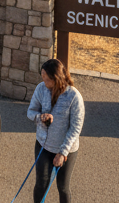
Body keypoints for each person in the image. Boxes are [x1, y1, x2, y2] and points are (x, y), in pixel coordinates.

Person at [27, 59, 84, 203]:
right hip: (43, 146)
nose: (43, 81)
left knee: (63, 187)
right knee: (41, 184)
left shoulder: (74, 97)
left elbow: (75, 128)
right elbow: (30, 112)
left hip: (66, 151)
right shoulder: (41, 88)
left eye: (46, 79)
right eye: (42, 77)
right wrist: (40, 117)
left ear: (56, 78)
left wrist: (62, 152)